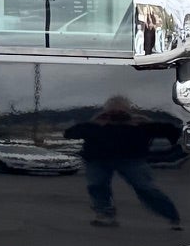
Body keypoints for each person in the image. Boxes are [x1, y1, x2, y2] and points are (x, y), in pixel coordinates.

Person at [64, 95, 183, 229]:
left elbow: (173, 131)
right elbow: (69, 134)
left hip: (131, 160)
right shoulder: (96, 125)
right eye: (112, 112)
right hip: (97, 160)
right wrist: (93, 123)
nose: (116, 116)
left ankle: (172, 216)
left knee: (146, 188)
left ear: (128, 112)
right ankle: (105, 214)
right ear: (106, 112)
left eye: (121, 112)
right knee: (97, 186)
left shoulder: (139, 125)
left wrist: (147, 122)